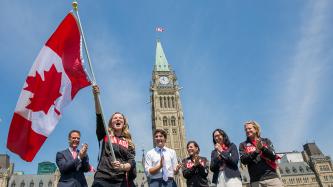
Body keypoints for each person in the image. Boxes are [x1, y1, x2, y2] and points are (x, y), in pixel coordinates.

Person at [92, 85, 136, 187]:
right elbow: (99, 115)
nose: (118, 119)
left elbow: (131, 161)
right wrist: (96, 96)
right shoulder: (105, 135)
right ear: (111, 123)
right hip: (102, 178)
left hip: (120, 181)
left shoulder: (128, 142)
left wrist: (123, 166)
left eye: (120, 118)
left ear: (124, 123)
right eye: (115, 118)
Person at [239, 120, 283, 187]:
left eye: (249, 128)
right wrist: (256, 152)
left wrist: (262, 148)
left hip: (272, 178)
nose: (247, 131)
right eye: (245, 129)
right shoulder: (243, 145)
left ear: (256, 129)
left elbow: (273, 156)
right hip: (256, 181)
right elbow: (243, 160)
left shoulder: (266, 141)